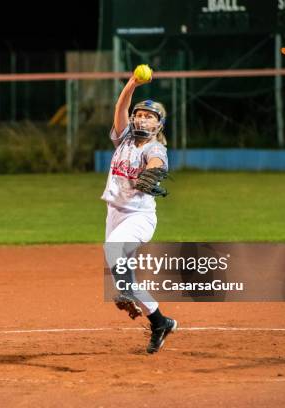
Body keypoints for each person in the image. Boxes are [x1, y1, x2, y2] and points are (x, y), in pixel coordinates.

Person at [102, 71, 177, 354]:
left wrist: (152, 170)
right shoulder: (124, 139)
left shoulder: (155, 147)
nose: (141, 118)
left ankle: (125, 292)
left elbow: (157, 161)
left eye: (149, 116)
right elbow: (120, 109)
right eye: (140, 114)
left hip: (139, 217)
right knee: (126, 280)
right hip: (115, 214)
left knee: (113, 249)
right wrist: (132, 84)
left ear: (159, 124)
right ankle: (160, 323)